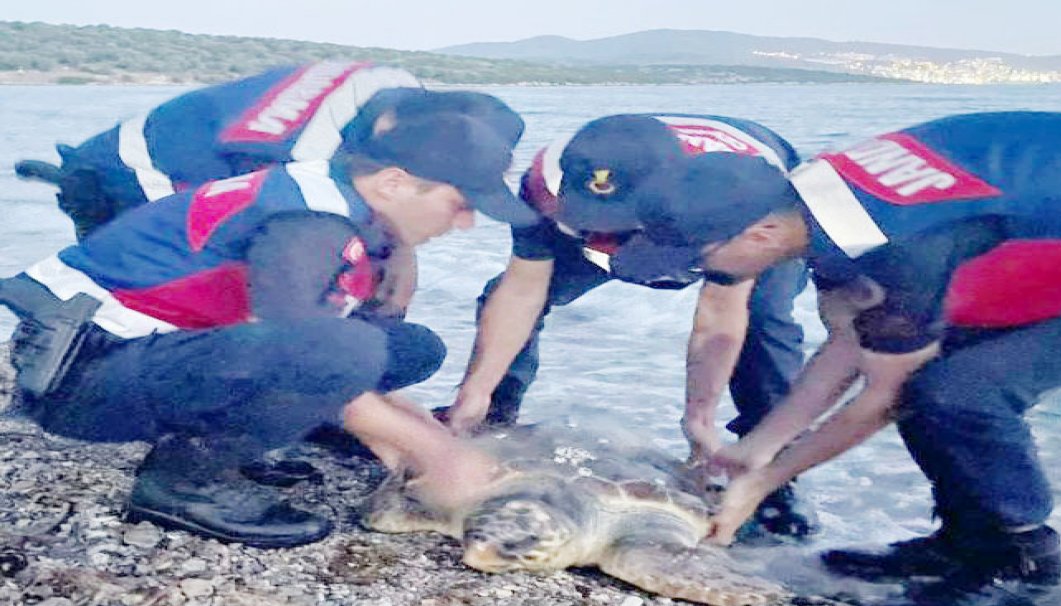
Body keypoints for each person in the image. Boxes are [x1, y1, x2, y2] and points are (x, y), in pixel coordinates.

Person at [626, 111, 1061, 606]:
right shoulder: (819, 207)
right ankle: (966, 545)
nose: (701, 275)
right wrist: (757, 447)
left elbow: (879, 395)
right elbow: (857, 341)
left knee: (961, 390)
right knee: (934, 369)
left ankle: (1021, 580)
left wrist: (765, 483)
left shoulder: (902, 240)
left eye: (701, 258)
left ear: (764, 232)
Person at [0, 112, 539, 548]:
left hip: (138, 355)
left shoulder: (332, 195)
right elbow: (306, 344)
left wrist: (402, 419)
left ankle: (306, 420)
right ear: (395, 183)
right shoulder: (309, 223)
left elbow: (319, 332)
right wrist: (439, 455)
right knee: (343, 352)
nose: (465, 222)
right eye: (460, 204)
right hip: (81, 381)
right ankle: (182, 484)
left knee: (409, 349)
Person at [439, 114, 816, 540]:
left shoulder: (728, 200)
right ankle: (490, 423)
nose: (601, 229)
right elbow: (523, 290)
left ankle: (772, 474)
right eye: (591, 217)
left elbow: (719, 315)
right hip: (644, 207)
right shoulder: (546, 185)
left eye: (614, 221)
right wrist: (475, 392)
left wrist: (699, 421)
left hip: (731, 214)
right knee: (500, 295)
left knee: (765, 324)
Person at [14, 60, 523, 240]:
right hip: (129, 175)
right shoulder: (306, 148)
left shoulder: (395, 89)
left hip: (127, 153)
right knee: (189, 278)